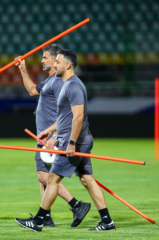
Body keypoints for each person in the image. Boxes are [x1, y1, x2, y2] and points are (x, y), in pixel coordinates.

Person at [15, 49, 115, 232]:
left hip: (74, 141)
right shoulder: (66, 84)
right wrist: (50, 130)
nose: (54, 65)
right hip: (76, 139)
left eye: (57, 62)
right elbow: (65, 117)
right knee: (87, 179)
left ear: (67, 65)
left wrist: (70, 143)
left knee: (52, 178)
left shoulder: (73, 87)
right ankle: (107, 221)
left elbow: (77, 117)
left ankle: (38, 221)